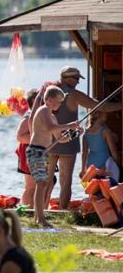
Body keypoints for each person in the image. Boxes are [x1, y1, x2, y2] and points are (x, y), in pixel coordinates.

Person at [40, 67, 121, 212]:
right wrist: (120, 105)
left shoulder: (49, 91)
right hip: (67, 144)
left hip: (49, 142)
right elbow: (101, 107)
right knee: (66, 181)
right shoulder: (74, 95)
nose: (77, 82)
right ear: (68, 78)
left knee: (46, 179)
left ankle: (42, 211)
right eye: (76, 79)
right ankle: (63, 211)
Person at [27, 86, 82, 228]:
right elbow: (51, 128)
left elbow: (59, 138)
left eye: (61, 102)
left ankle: (37, 218)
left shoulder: (53, 116)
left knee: (43, 184)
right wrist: (70, 124)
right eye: (58, 101)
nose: (60, 104)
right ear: (49, 100)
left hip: (44, 152)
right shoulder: (44, 110)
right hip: (36, 150)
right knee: (41, 184)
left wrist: (74, 133)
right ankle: (40, 219)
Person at [14, 89, 39, 207]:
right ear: (34, 101)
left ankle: (35, 208)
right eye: (42, 99)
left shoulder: (38, 115)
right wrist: (40, 137)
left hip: (38, 151)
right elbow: (20, 136)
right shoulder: (28, 116)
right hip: (27, 152)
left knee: (39, 184)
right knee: (30, 186)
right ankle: (27, 209)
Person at [83, 110, 120, 182]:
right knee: (107, 189)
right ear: (99, 114)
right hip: (104, 165)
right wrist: (118, 163)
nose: (106, 113)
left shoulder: (86, 132)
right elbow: (114, 153)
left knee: (93, 189)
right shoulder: (105, 131)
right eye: (104, 111)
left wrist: (83, 170)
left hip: (91, 165)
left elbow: (84, 153)